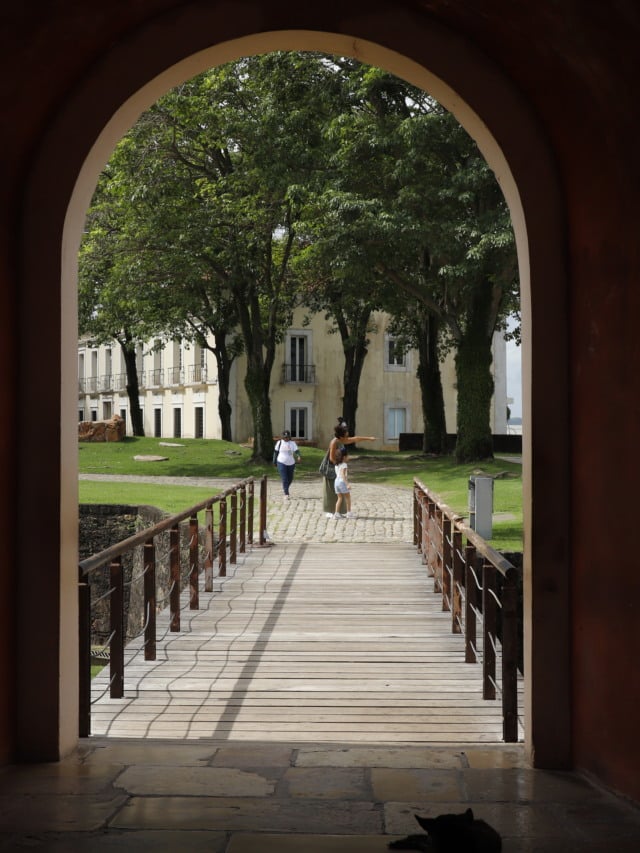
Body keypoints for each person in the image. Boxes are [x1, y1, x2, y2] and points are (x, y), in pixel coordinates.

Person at [322, 423, 375, 516]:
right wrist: (340, 465)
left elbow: (355, 439)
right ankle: (330, 512)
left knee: (339, 493)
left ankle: (337, 512)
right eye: (346, 435)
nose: (347, 437)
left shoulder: (342, 440)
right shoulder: (334, 442)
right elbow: (331, 458)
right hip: (331, 469)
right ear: (341, 436)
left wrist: (369, 438)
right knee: (331, 491)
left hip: (337, 468)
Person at [273, 430, 301, 500]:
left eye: (287, 437)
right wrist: (274, 461)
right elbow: (276, 452)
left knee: (290, 478)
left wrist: (298, 456)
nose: (286, 438)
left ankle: (285, 488)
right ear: (282, 437)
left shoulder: (292, 443)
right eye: (285, 437)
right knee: (285, 478)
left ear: (289, 437)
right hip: (281, 462)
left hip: (291, 463)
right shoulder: (279, 443)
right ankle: (286, 493)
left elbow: (297, 451)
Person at [333, 449, 355, 519]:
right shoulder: (344, 465)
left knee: (339, 498)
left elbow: (338, 474)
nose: (349, 457)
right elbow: (342, 474)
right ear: (344, 457)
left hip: (336, 482)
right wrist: (347, 484)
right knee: (348, 498)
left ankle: (336, 513)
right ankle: (349, 513)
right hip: (342, 482)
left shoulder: (336, 464)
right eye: (348, 456)